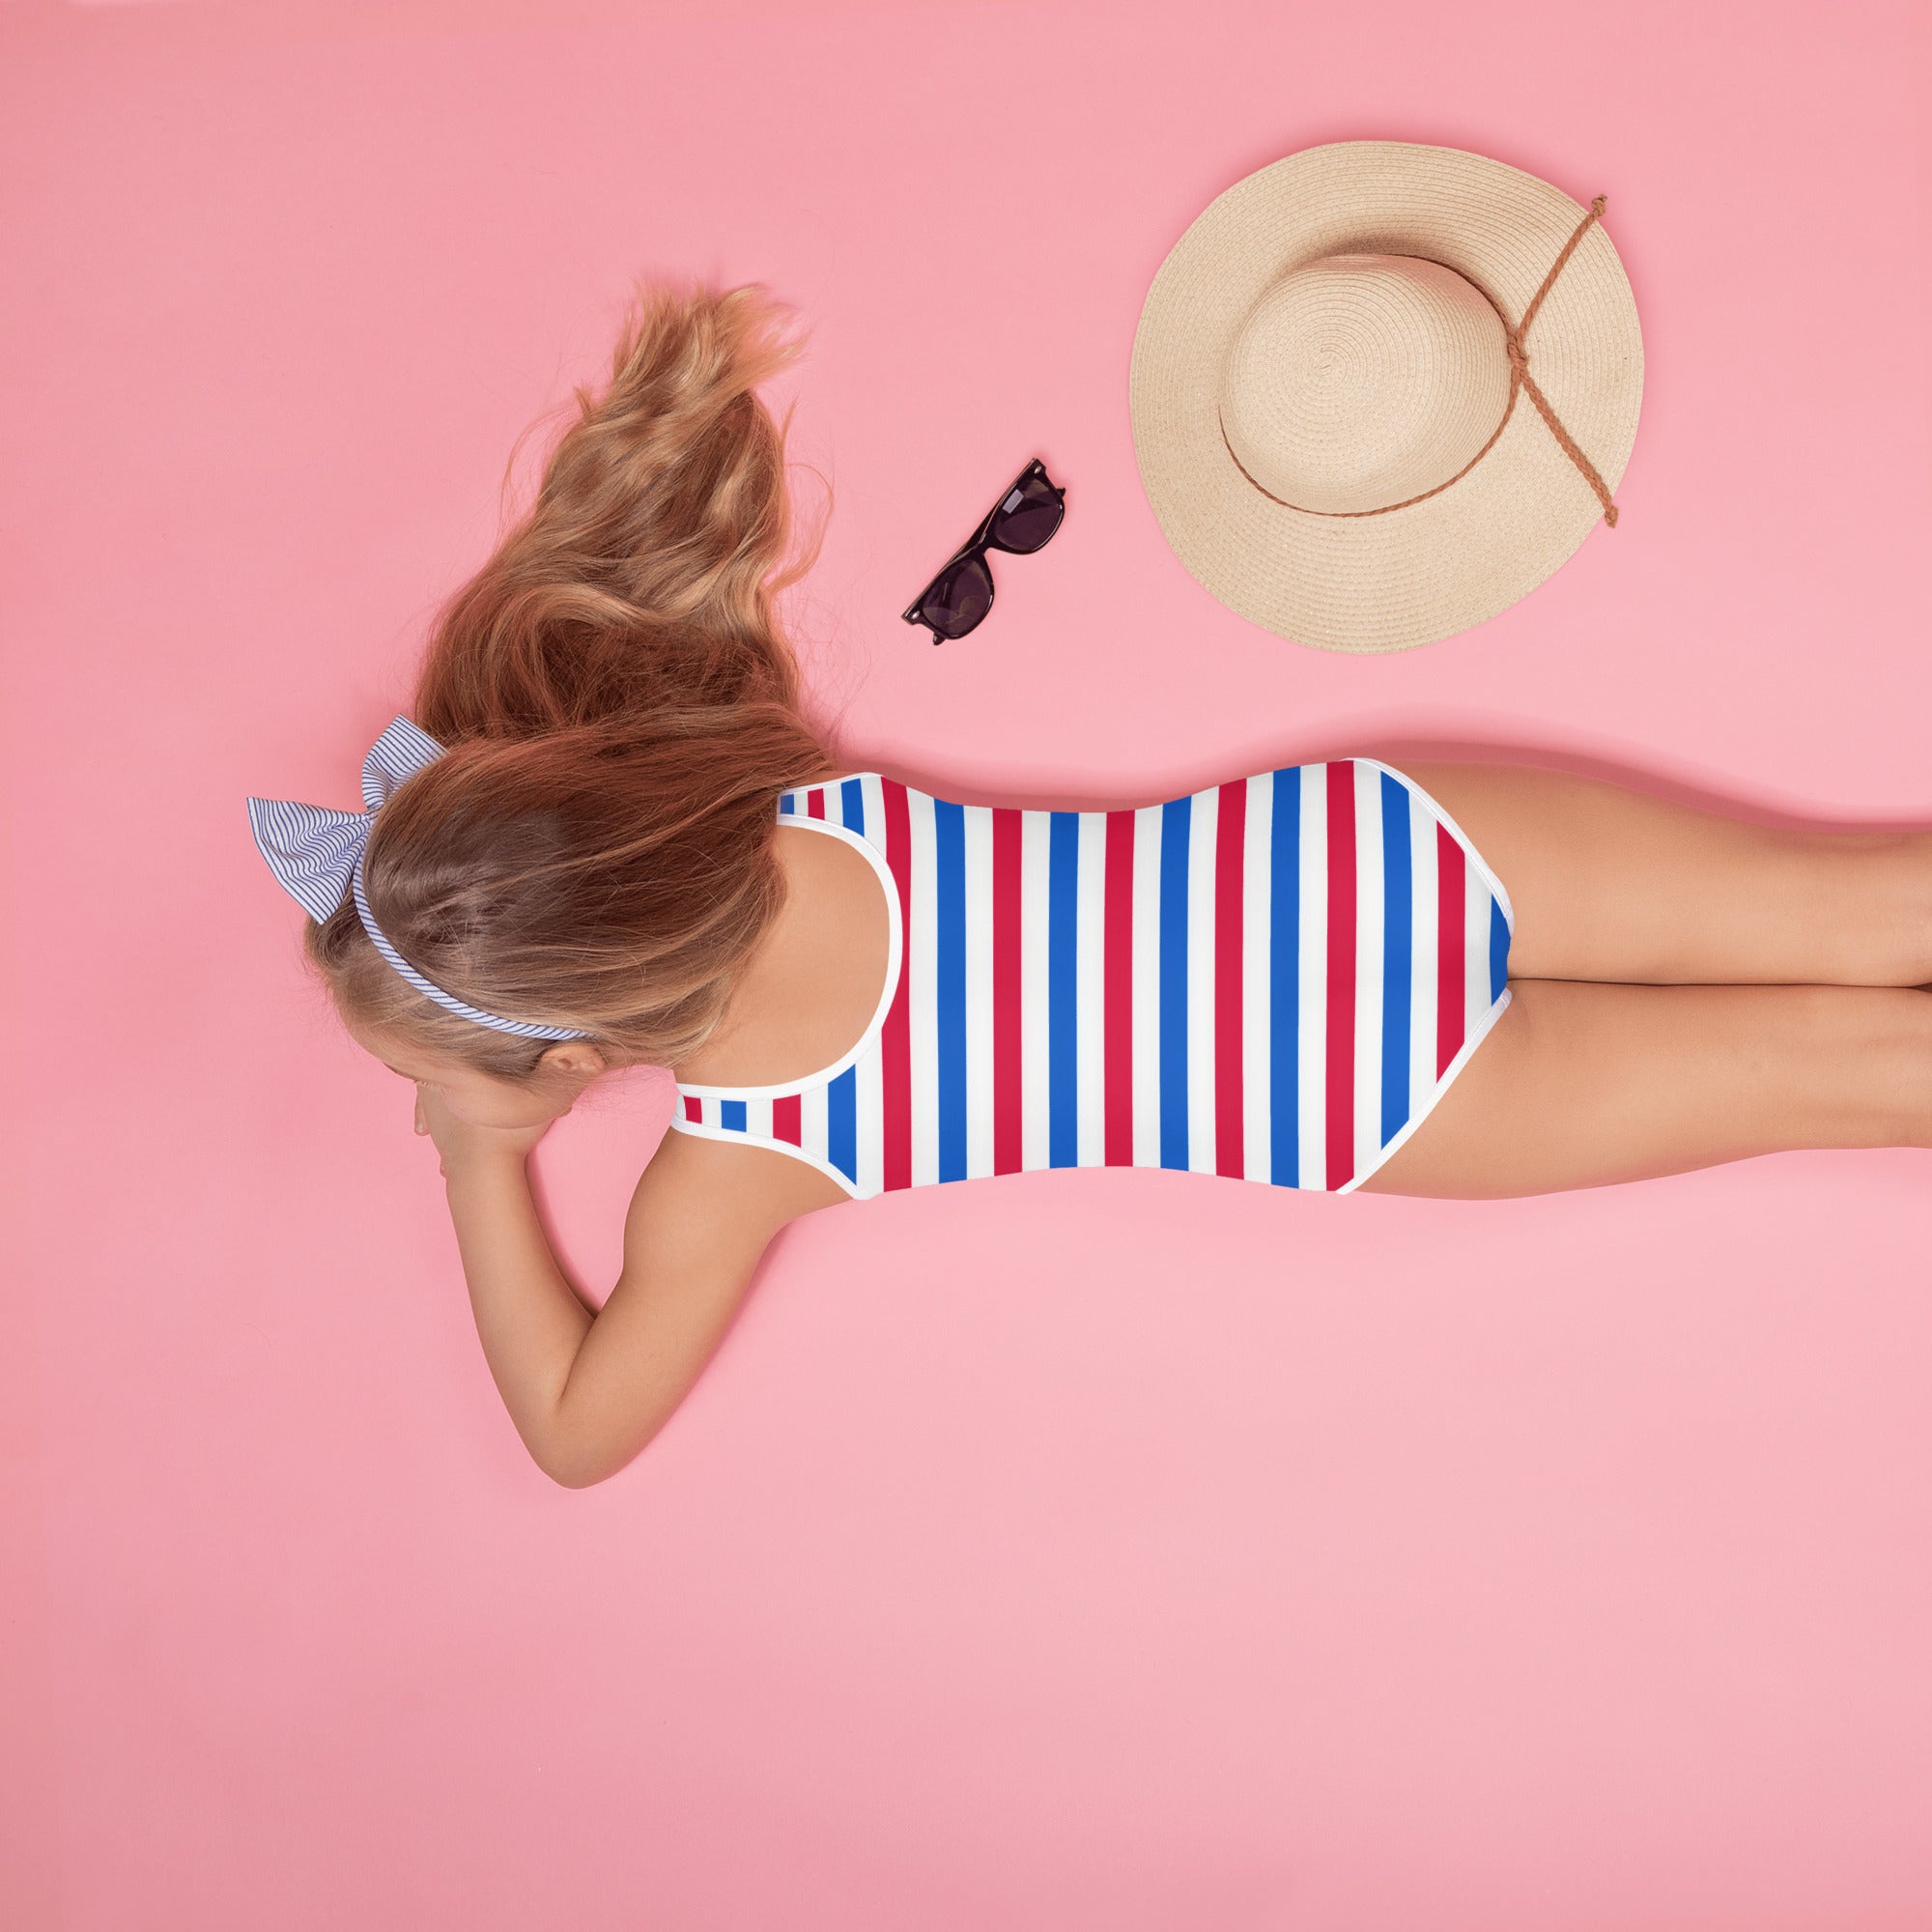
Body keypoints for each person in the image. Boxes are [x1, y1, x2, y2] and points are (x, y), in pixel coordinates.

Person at [247, 286, 1932, 1489]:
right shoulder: (757, 799)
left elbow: (572, 1436)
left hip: (1361, 1097)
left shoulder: (737, 1169)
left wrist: (477, 1150)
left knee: (1849, 1078)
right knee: (1870, 909)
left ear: (571, 1055)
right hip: (1359, 857)